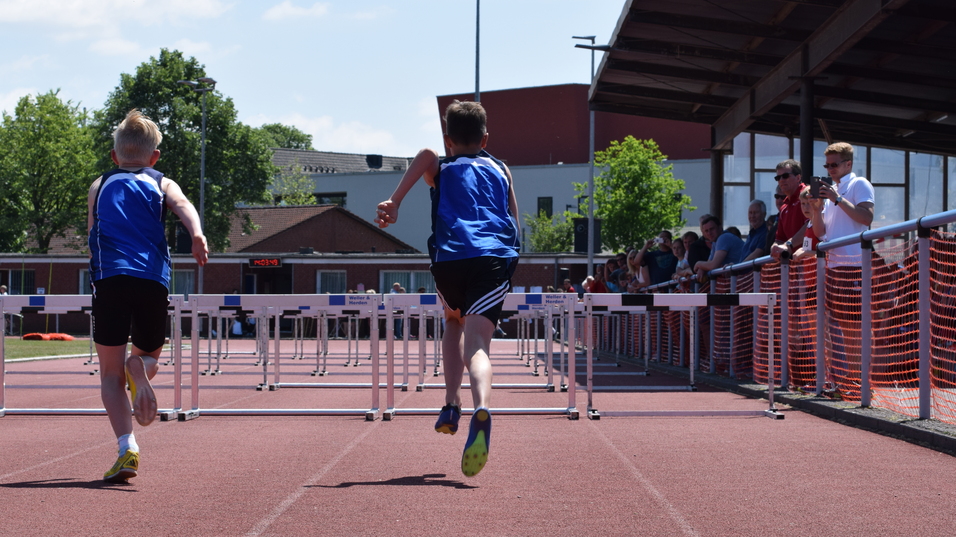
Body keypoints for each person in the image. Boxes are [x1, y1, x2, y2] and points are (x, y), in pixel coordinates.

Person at [374, 100, 518, 477]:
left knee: (452, 321)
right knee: (478, 346)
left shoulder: (442, 166)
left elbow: (424, 154)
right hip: (491, 258)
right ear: (486, 137)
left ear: (448, 139)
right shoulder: (502, 169)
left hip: (449, 260)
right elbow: (515, 219)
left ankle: (451, 403)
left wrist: (395, 200)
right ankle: (481, 406)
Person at [88, 109, 208, 483]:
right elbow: (184, 205)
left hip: (110, 279)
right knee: (144, 358)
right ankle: (139, 369)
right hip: (153, 279)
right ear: (154, 157)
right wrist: (197, 234)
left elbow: (93, 233)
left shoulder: (100, 184)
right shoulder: (161, 181)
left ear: (114, 156)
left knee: (110, 373)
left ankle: (128, 447)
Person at [808, 142, 875, 398]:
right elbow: (820, 232)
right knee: (832, 327)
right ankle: (844, 382)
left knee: (853, 329)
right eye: (827, 165)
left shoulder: (859, 184)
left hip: (853, 266)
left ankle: (859, 384)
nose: (830, 169)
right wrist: (816, 209)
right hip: (833, 267)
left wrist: (836, 199)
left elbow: (866, 218)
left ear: (848, 164)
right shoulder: (831, 190)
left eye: (834, 164)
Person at [770, 159, 809, 261]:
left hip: (813, 263)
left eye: (785, 176)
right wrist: (775, 247)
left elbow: (811, 225)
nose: (781, 180)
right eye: (778, 177)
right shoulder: (784, 207)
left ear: (798, 177)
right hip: (795, 266)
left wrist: (789, 245)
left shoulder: (808, 195)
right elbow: (779, 239)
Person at [693, 215, 745, 280]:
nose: (709, 233)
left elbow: (713, 265)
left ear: (720, 228)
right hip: (742, 277)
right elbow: (709, 263)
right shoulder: (715, 242)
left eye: (712, 229)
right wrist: (702, 268)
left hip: (748, 276)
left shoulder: (723, 237)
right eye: (706, 231)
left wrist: (698, 264)